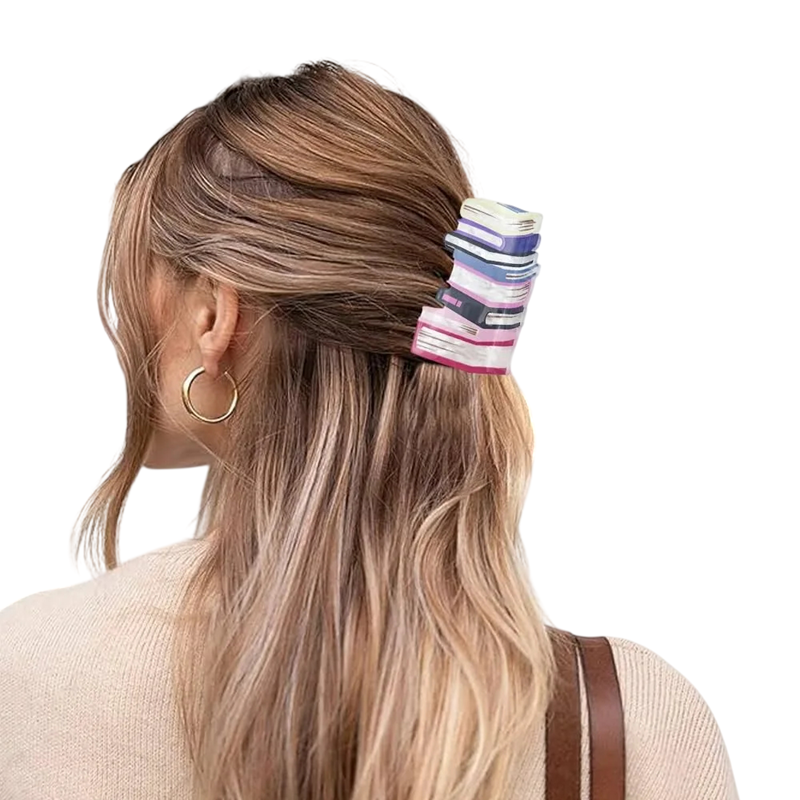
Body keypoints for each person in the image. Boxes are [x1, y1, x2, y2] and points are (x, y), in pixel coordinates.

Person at [0, 60, 739, 800]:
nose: (129, 329)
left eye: (138, 286)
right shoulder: (631, 721)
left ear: (214, 317)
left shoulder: (33, 667)